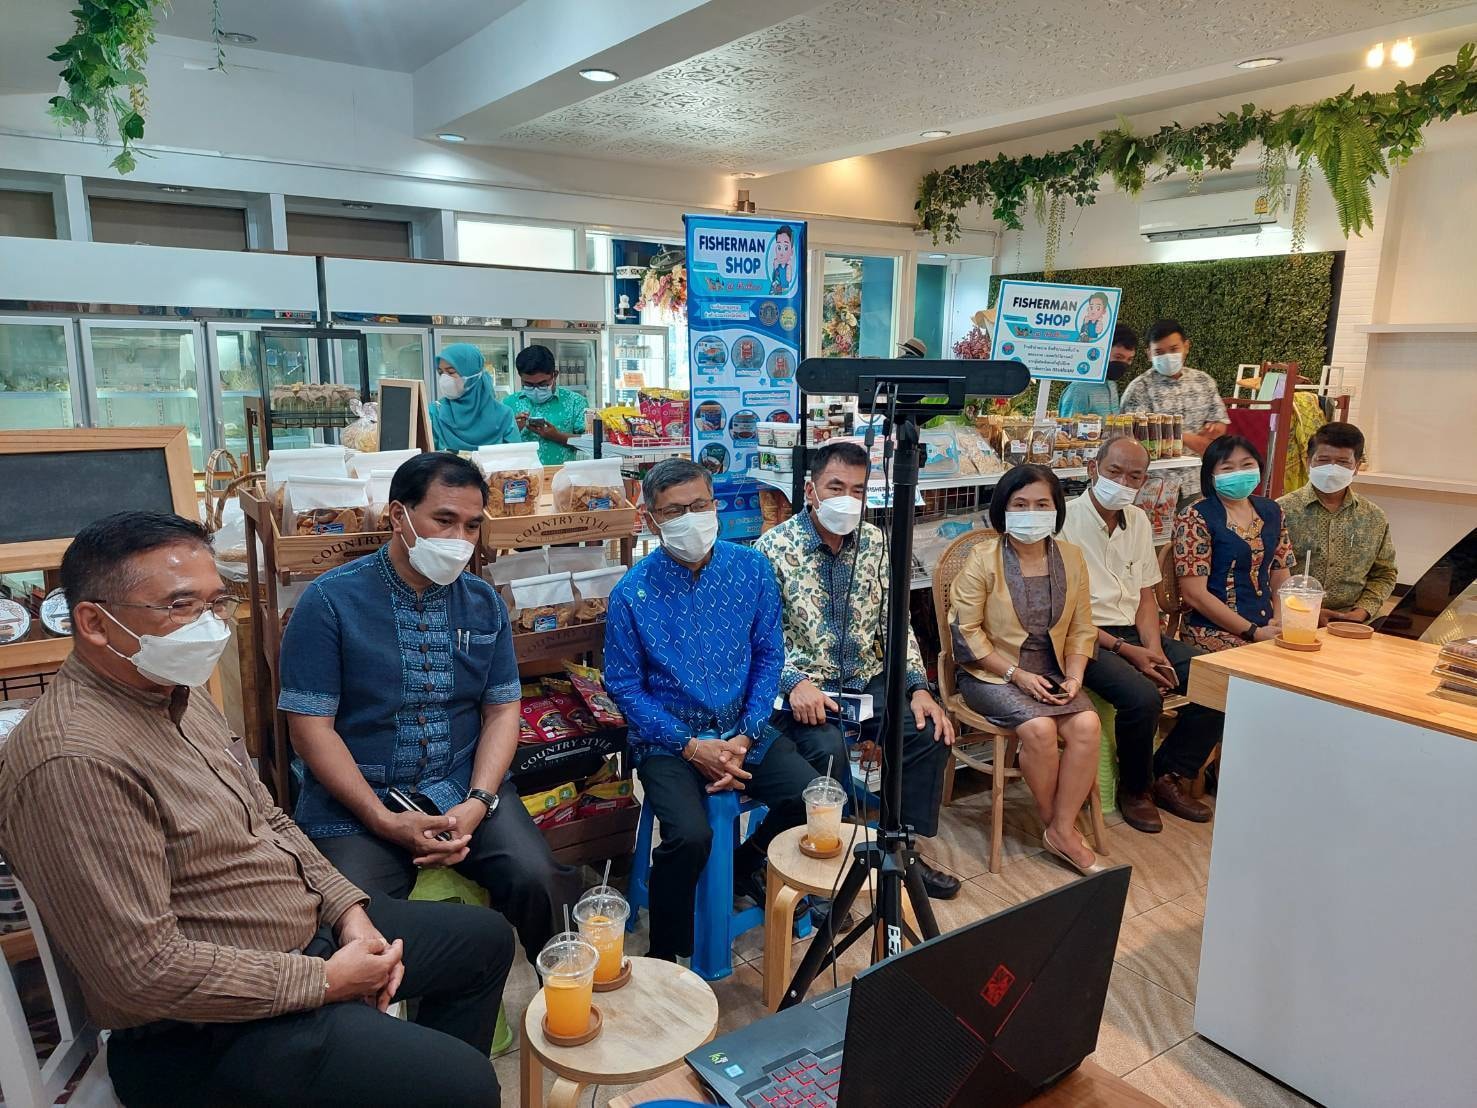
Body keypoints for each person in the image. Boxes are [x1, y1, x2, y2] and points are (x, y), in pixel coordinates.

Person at [0, 512, 511, 1105]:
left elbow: (269, 818)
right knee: (465, 1085)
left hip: (302, 937)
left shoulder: (175, 695)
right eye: (180, 607)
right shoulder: (74, 762)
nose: (208, 627)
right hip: (204, 1029)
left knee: (484, 941)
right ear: (92, 622)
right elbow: (139, 974)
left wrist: (351, 914)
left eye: (216, 604)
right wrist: (323, 982)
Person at [280, 453, 578, 964]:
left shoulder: (483, 603)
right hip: (358, 800)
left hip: (462, 787)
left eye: (472, 525)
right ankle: (413, 1029)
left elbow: (503, 709)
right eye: (444, 520)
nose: (460, 539)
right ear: (399, 516)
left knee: (541, 881)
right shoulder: (330, 603)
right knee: (350, 926)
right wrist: (379, 818)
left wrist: (479, 801)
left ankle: (567, 1005)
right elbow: (310, 729)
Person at [603, 459, 815, 963]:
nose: (691, 518)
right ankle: (668, 961)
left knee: (812, 798)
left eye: (699, 505)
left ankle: (745, 865)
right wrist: (692, 747)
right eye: (674, 511)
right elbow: (625, 689)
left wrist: (745, 734)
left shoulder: (752, 569)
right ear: (651, 519)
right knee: (690, 836)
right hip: (668, 741)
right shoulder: (631, 593)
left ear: (714, 504)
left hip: (745, 729)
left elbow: (769, 655)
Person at [754, 442, 960, 900]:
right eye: (835, 487)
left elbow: (896, 622)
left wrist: (918, 687)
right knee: (828, 754)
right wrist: (793, 683)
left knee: (929, 729)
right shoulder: (772, 549)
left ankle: (899, 845)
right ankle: (833, 866)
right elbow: (759, 638)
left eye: (858, 490)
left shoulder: (876, 543)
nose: (847, 499)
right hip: (806, 688)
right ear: (811, 490)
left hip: (866, 680)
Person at [947, 464, 1103, 874]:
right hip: (990, 671)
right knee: (1039, 729)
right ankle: (1060, 828)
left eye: (1041, 504)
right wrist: (1015, 674)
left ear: (1056, 510)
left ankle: (1061, 828)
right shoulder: (983, 559)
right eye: (1020, 504)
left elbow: (1083, 628)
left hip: (1052, 670)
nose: (1030, 512)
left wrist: (1074, 676)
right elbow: (965, 633)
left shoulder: (1071, 558)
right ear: (1003, 510)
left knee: (1087, 726)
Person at [1060, 436, 1219, 833]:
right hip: (1083, 638)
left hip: (1133, 630)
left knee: (1218, 679)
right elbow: (1060, 613)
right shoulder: (1063, 519)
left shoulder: (1140, 521)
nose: (1123, 482)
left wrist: (1152, 649)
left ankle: (1166, 774)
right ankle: (1136, 789)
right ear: (1092, 469)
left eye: (1134, 476)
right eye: (1114, 472)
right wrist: (1129, 652)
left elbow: (1146, 594)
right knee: (1142, 698)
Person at [1174, 435, 1295, 652]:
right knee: (1271, 663)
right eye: (1228, 468)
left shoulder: (1273, 511)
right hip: (1211, 629)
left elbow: (1280, 572)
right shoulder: (1195, 516)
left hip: (1266, 624)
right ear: (1211, 476)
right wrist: (1253, 632)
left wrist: (1278, 620)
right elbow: (1194, 594)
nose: (1239, 473)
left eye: (1247, 465)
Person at [1278, 421, 1398, 624]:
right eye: (1323, 460)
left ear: (1357, 467)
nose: (1332, 469)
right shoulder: (1280, 511)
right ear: (1308, 462)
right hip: (1291, 615)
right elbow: (1260, 572)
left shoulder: (1373, 518)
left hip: (1354, 620)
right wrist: (1305, 611)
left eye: (1343, 463)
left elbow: (1384, 573)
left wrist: (1362, 612)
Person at [1119, 319, 1229, 502]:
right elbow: (1136, 439)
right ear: (1148, 354)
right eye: (1159, 352)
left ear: (1186, 346)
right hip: (1153, 489)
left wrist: (1215, 429)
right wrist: (1191, 439)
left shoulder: (1203, 381)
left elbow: (1219, 425)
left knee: (1194, 530)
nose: (1167, 357)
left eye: (1173, 349)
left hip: (1197, 483)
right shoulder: (1139, 389)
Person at [504, 343, 589, 465]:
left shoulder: (575, 402)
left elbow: (589, 443)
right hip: (520, 479)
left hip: (561, 478)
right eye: (528, 384)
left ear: (555, 375)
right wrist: (514, 430)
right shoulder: (509, 403)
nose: (536, 389)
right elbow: (495, 446)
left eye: (542, 384)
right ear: (520, 377)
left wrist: (557, 436)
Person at [429, 342, 519, 451]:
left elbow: (517, 459)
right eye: (440, 372)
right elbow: (424, 460)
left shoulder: (503, 415)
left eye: (451, 372)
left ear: (472, 374)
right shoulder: (435, 413)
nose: (444, 379)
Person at [1060, 323, 1135, 419]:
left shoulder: (1111, 385)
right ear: (1103, 351)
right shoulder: (1079, 391)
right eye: (1118, 357)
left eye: (1129, 359)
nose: (1124, 363)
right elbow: (1067, 431)